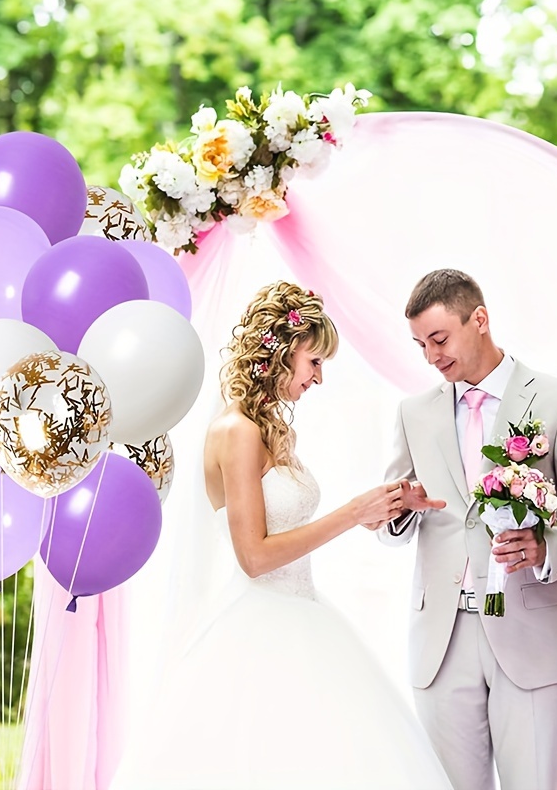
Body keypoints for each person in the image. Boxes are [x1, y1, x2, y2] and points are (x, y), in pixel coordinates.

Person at [110, 280, 452, 790]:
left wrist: (385, 504)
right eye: (314, 362)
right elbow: (254, 557)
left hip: (303, 608)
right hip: (258, 620)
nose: (318, 377)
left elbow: (290, 523)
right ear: (281, 354)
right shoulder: (237, 432)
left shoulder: (271, 429)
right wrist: (352, 512)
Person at [372, 269, 557, 790]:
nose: (431, 357)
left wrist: (545, 544)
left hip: (531, 631)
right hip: (443, 639)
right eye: (420, 345)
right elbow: (389, 522)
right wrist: (401, 508)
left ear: (479, 319)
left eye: (439, 339)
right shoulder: (413, 413)